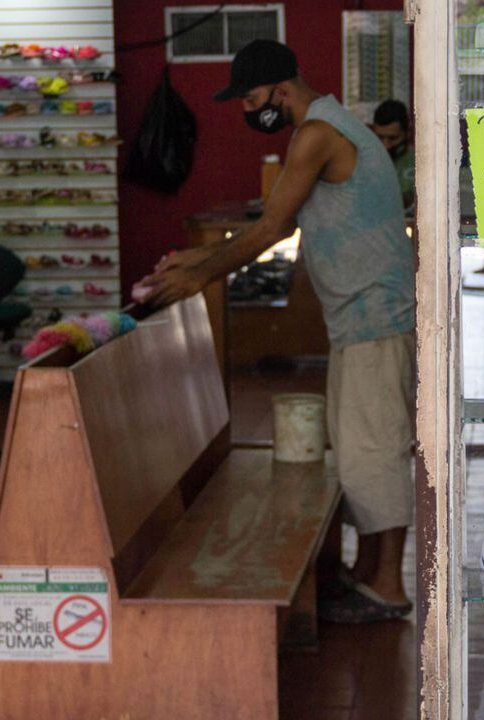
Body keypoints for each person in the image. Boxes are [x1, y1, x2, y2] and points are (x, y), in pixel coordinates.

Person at [142, 40, 416, 623]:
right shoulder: (329, 124)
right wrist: (193, 265)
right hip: (361, 317)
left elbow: (272, 225)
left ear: (281, 90)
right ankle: (369, 574)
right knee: (361, 452)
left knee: (374, 452)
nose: (248, 110)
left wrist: (199, 275)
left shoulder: (317, 132)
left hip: (375, 317)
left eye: (251, 98)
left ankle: (388, 584)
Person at [371, 99, 415, 211]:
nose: (386, 145)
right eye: (380, 138)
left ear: (408, 133)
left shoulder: (422, 162)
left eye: (393, 138)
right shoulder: (365, 162)